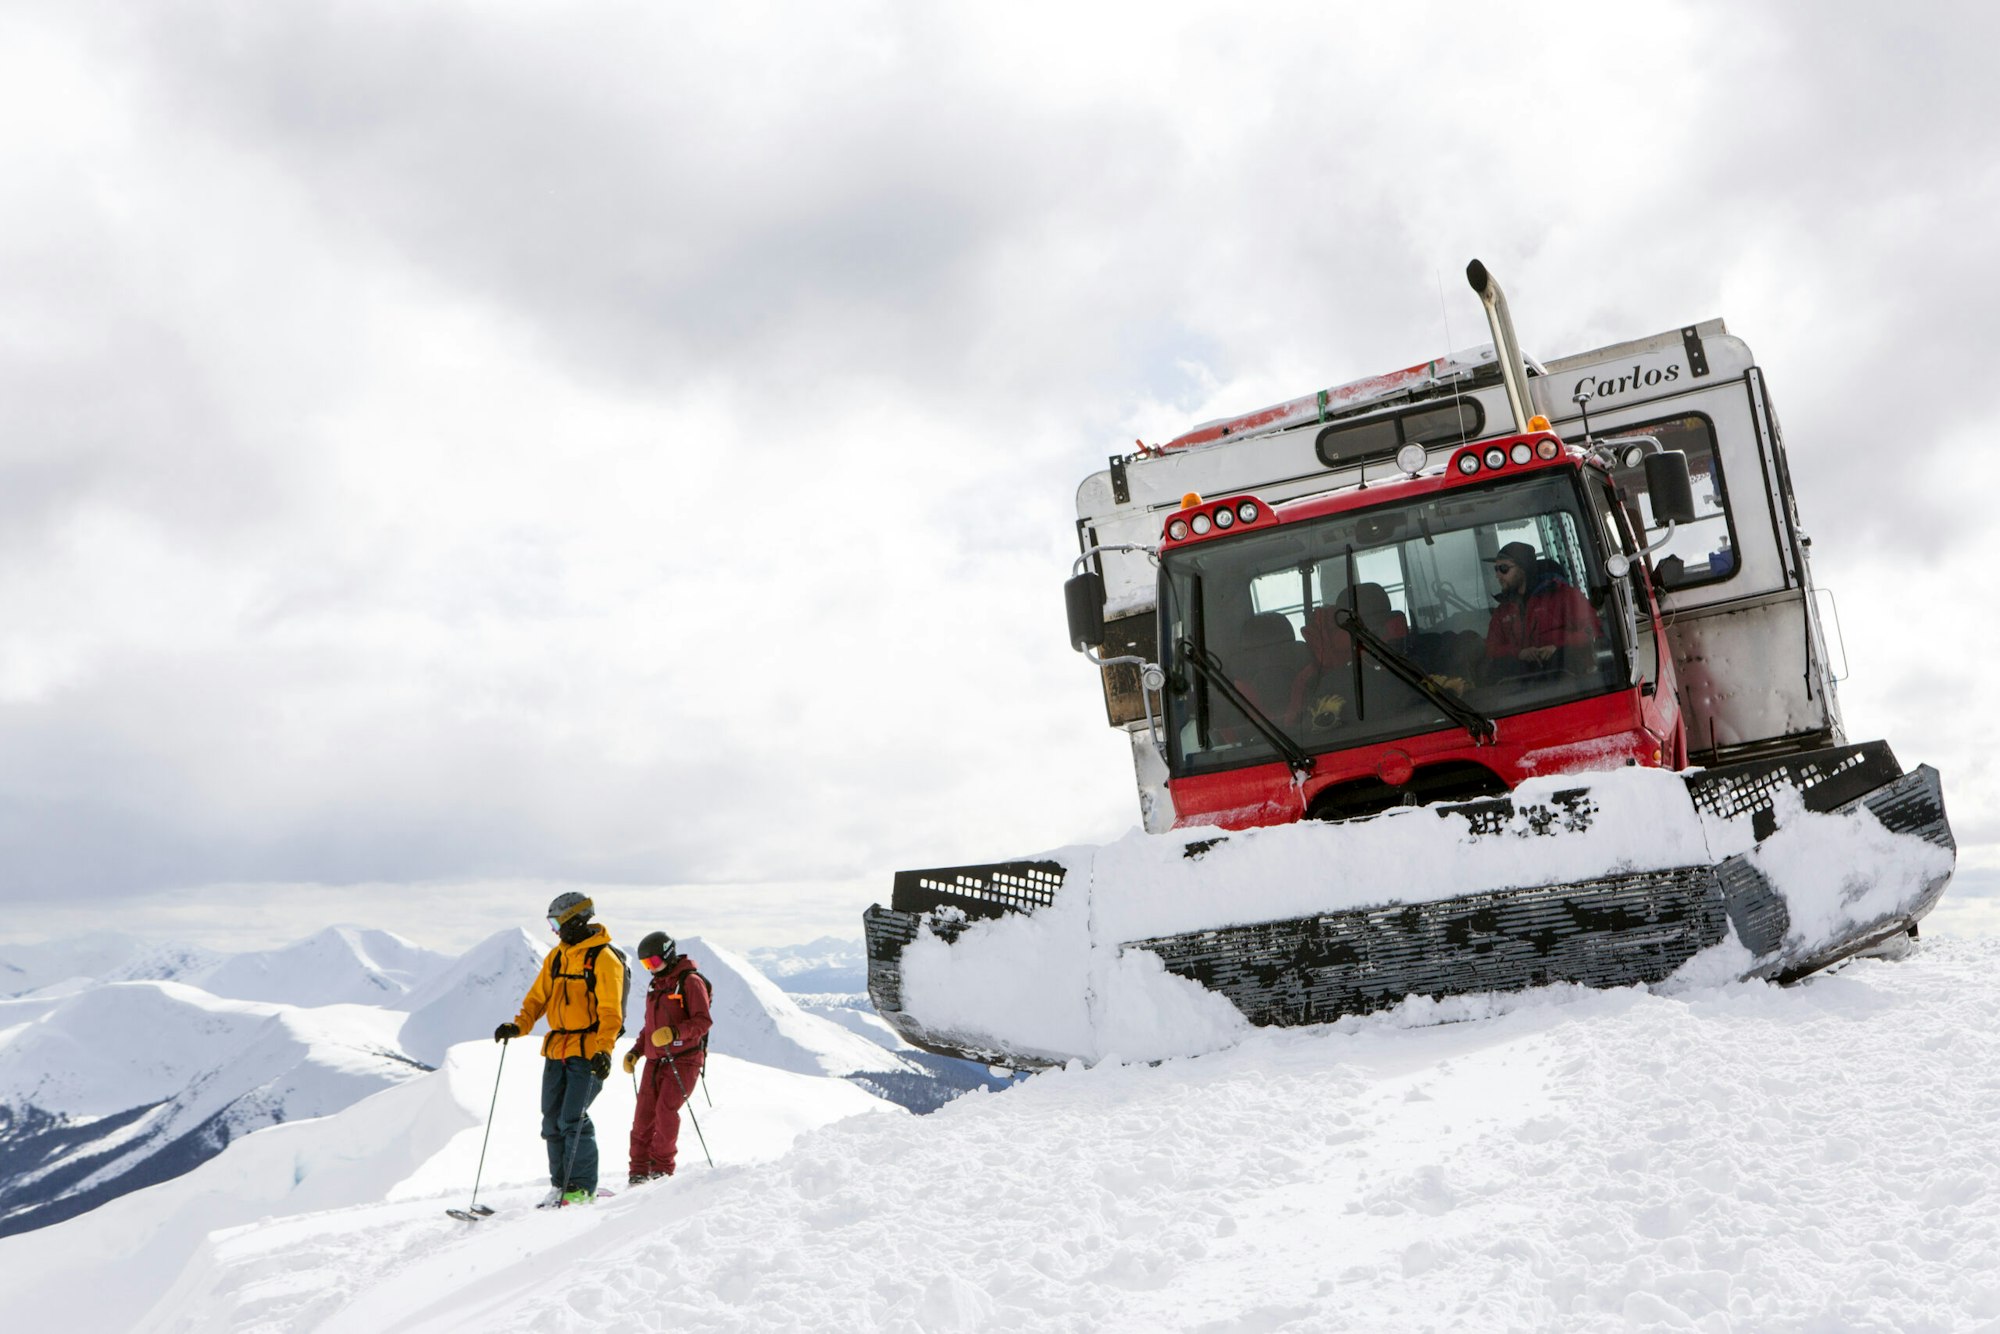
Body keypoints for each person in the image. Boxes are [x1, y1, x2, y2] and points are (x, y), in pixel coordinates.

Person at [493, 892, 625, 1207]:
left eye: (556, 922)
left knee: (573, 1118)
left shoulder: (603, 959)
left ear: (574, 920)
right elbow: (537, 998)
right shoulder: (557, 957)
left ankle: (581, 1188)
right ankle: (561, 1185)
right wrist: (519, 1026)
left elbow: (611, 1013)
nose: (553, 930)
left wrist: (604, 1051)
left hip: (588, 1052)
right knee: (551, 1121)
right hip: (556, 1049)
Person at [623, 931, 713, 1185]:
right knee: (643, 1117)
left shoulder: (690, 982)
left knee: (665, 1113)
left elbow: (703, 1021)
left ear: (667, 954)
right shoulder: (657, 984)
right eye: (645, 965)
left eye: (652, 962)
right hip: (655, 1060)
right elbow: (650, 1028)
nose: (650, 969)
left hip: (683, 1059)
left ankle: (661, 1170)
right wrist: (636, 1052)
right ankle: (638, 1172)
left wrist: (675, 1032)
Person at [1484, 541, 1602, 676]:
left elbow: (1593, 630)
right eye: (1496, 569)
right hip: (1522, 687)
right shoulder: (1503, 610)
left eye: (1503, 569)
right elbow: (1491, 648)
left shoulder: (1565, 596)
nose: (1497, 575)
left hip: (1573, 680)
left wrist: (1558, 647)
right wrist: (1519, 653)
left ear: (1524, 568)